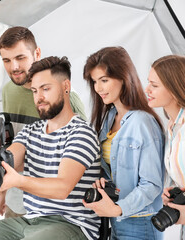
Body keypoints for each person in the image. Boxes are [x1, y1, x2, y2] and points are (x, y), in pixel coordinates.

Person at [0, 56, 101, 240]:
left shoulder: (81, 133)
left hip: (71, 224)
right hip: (29, 221)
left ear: (66, 86)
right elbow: (11, 158)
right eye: (35, 91)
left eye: (46, 89)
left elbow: (62, 188)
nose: (39, 97)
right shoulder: (31, 131)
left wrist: (18, 181)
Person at [0, 26, 87, 218]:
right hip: (16, 205)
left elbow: (80, 163)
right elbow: (10, 144)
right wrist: (2, 191)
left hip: (53, 209)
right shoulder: (8, 91)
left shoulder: (68, 99)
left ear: (37, 53)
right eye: (6, 60)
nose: (13, 67)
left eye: (20, 58)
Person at [82, 46, 164, 239]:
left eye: (104, 80)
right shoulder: (110, 118)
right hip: (116, 220)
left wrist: (118, 209)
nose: (98, 88)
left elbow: (152, 184)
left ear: (123, 77)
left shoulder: (142, 122)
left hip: (140, 222)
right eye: (94, 82)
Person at [145, 55, 185, 235]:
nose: (147, 90)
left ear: (174, 88)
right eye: (148, 83)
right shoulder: (172, 127)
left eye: (154, 85)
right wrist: (172, 190)